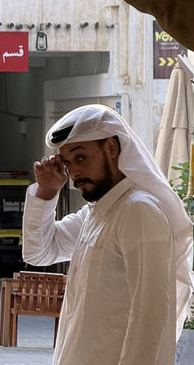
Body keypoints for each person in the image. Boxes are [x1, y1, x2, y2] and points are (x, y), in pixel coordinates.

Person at [22, 104, 193, 365]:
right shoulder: (96, 213)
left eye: (81, 158)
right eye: (68, 163)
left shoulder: (138, 211)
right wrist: (46, 194)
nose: (74, 173)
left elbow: (151, 315)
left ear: (111, 149)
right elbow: (39, 252)